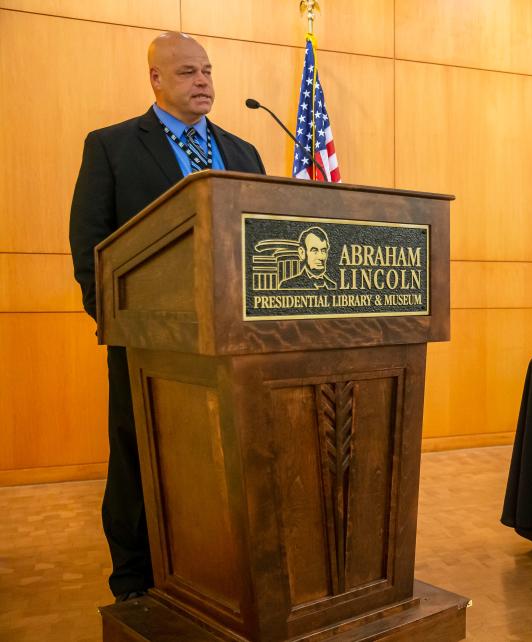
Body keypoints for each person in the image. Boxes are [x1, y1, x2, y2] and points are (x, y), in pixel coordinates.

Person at [68, 32, 265, 602]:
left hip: (233, 338)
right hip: (147, 337)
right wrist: (115, 321)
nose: (202, 81)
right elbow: (91, 243)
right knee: (138, 453)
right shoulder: (112, 146)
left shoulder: (243, 151)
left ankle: (213, 564)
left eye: (206, 71)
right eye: (186, 73)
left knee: (220, 456)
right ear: (155, 79)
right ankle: (134, 577)